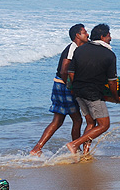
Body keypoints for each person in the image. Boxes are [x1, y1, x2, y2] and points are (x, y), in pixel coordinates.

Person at [30, 24, 91, 155]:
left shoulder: (78, 48)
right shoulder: (72, 48)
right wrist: (72, 87)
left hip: (58, 84)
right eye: (85, 32)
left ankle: (37, 148)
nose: (87, 34)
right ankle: (76, 149)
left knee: (58, 120)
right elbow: (64, 70)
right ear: (77, 35)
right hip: (64, 86)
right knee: (77, 120)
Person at [65, 23, 120, 157]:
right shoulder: (109, 55)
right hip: (93, 94)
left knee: (91, 123)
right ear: (102, 36)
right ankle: (74, 144)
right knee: (104, 125)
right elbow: (112, 81)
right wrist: (115, 97)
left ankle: (85, 152)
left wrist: (76, 87)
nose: (111, 38)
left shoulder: (80, 49)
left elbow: (71, 72)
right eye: (109, 35)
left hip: (79, 91)